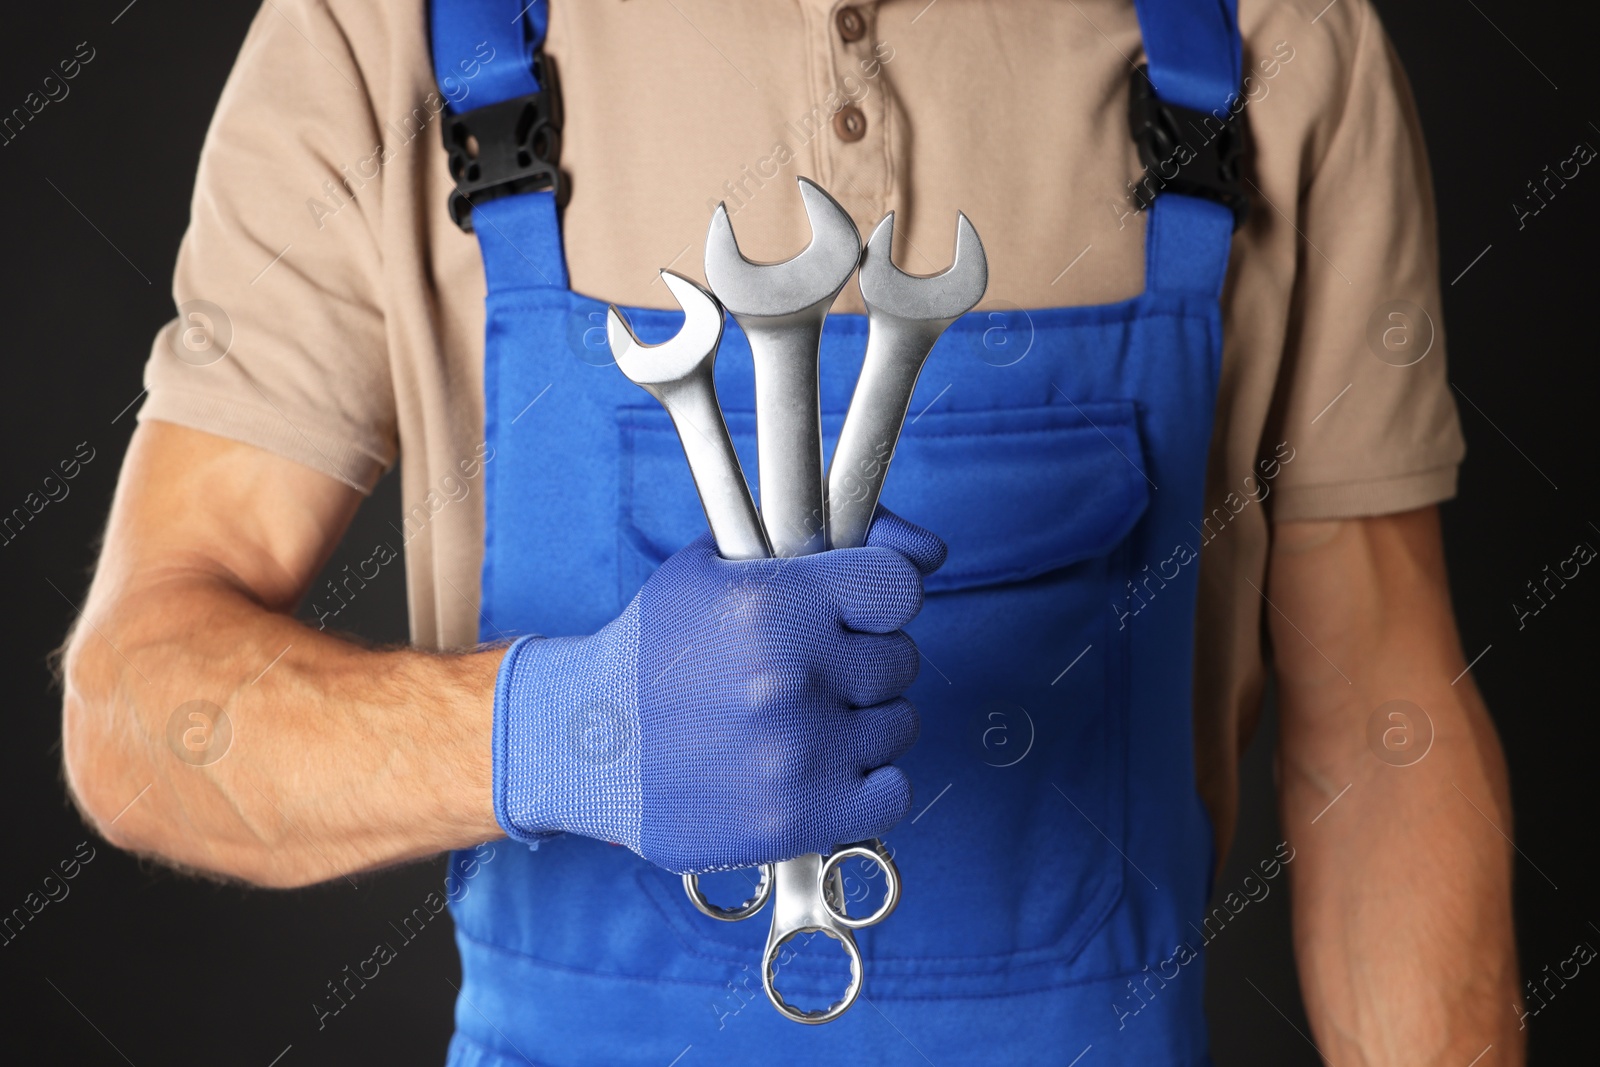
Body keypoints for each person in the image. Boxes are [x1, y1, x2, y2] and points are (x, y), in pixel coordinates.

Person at [58, 0, 1521, 1062]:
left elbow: (1380, 723)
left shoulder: (1272, 40)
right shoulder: (390, 34)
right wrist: (569, 730)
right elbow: (134, 711)